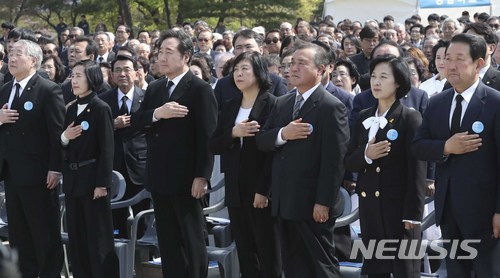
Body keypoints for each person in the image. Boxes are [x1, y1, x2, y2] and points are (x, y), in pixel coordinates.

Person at [256, 42, 349, 277]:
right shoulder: (283, 102)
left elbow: (334, 161)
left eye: (301, 63)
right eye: (291, 63)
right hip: (284, 199)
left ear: (321, 70)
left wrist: (323, 202)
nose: (293, 69)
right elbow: (263, 141)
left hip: (312, 204)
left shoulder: (331, 107)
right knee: (293, 264)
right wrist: (282, 134)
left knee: (321, 266)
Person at [412, 33, 500, 278]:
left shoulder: (494, 103)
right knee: (455, 271)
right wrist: (446, 147)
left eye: (459, 59)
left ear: (479, 63)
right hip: (448, 209)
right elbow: (418, 145)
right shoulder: (437, 102)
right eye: (447, 58)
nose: (450, 65)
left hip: (485, 214)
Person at [131, 29, 217, 278]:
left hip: (187, 179)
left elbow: (207, 138)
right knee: (167, 242)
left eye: (169, 52)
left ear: (186, 56)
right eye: (159, 53)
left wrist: (202, 176)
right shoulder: (156, 88)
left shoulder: (199, 89)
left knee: (192, 240)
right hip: (159, 176)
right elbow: (137, 122)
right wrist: (159, 113)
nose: (162, 58)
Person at [345, 55, 426, 277]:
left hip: (398, 209)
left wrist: (413, 214)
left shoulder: (410, 118)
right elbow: (349, 160)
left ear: (398, 82)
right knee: (375, 268)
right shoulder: (364, 116)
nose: (376, 82)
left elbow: (417, 171)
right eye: (373, 76)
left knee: (403, 269)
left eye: (383, 77)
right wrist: (366, 155)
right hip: (370, 207)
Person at [209, 51, 281, 278]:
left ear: (258, 72)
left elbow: (275, 153)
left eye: (244, 69)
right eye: (236, 70)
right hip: (236, 189)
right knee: (245, 252)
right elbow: (215, 144)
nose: (238, 74)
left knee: (268, 252)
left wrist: (264, 190)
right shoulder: (231, 105)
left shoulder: (273, 104)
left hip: (261, 189)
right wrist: (233, 132)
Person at [0, 39, 65, 277]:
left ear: (34, 61)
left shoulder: (48, 89)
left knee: (43, 234)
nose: (11, 59)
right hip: (11, 173)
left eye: (18, 54)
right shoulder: (6, 88)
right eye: (10, 54)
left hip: (39, 175)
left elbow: (56, 133)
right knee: (18, 234)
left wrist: (56, 168)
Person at [61, 60, 118, 278]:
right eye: (72, 76)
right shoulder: (71, 108)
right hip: (74, 182)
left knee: (98, 239)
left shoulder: (100, 108)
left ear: (92, 78)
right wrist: (65, 138)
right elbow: (62, 146)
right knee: (78, 238)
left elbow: (106, 150)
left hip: (93, 182)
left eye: (79, 76)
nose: (74, 80)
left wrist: (102, 184)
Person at [99, 55, 148, 239]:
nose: (122, 74)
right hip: (114, 168)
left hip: (141, 168)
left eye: (127, 69)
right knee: (115, 222)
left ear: (136, 73)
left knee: (143, 219)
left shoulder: (147, 97)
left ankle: (143, 261)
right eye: (117, 70)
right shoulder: (103, 99)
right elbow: (96, 131)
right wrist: (112, 124)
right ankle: (119, 263)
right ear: (111, 75)